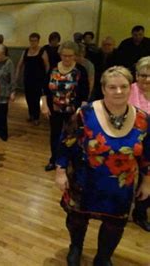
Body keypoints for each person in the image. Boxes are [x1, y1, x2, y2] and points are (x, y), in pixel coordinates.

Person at [56, 66, 150, 266]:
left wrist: (147, 182)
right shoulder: (85, 114)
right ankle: (76, 247)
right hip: (84, 180)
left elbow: (147, 155)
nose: (118, 91)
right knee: (77, 220)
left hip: (121, 185)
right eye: (112, 87)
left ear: (130, 88)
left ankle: (103, 257)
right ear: (103, 88)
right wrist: (60, 171)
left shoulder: (143, 119)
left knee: (114, 225)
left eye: (124, 86)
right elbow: (66, 143)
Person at [41, 41, 89, 172]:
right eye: (64, 55)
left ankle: (71, 161)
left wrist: (80, 111)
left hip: (73, 111)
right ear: (60, 54)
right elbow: (45, 90)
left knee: (72, 137)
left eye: (70, 55)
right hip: (55, 109)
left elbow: (85, 94)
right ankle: (54, 160)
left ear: (75, 55)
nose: (67, 58)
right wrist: (44, 105)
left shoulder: (80, 70)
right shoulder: (53, 69)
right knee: (55, 135)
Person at [129, 56, 150, 231]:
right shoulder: (128, 90)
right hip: (130, 140)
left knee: (148, 178)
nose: (147, 79)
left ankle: (140, 213)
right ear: (136, 75)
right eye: (143, 75)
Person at [16, 32, 50, 125]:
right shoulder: (26, 51)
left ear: (38, 41)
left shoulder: (42, 51)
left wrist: (47, 78)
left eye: (35, 41)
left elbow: (47, 66)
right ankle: (31, 115)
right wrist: (17, 76)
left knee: (36, 98)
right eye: (31, 41)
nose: (33, 43)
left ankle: (36, 117)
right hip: (27, 78)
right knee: (28, 97)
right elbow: (20, 64)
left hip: (39, 79)